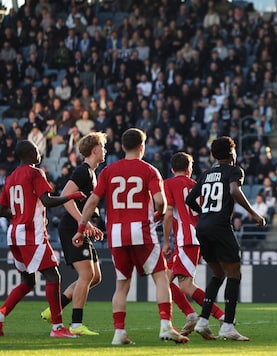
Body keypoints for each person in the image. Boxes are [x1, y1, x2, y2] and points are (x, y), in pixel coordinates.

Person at [71, 128, 189, 345]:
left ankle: (119, 333)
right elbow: (161, 202)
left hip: (116, 234)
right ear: (142, 147)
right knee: (161, 277)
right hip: (141, 231)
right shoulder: (150, 170)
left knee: (122, 285)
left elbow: (92, 202)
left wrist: (80, 229)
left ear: (123, 147)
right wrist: (159, 213)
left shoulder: (108, 171)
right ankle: (166, 326)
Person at [0, 140, 86, 338]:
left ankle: (1, 315)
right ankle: (57, 328)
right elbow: (47, 200)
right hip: (32, 234)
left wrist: (17, 215)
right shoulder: (35, 172)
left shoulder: (11, 177)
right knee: (53, 277)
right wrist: (71, 196)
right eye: (37, 150)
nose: (40, 153)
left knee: (27, 282)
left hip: (14, 235)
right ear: (31, 153)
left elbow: (1, 209)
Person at [185, 136, 265, 341]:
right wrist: (253, 214)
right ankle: (228, 325)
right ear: (232, 154)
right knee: (234, 274)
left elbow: (189, 199)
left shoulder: (205, 174)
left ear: (213, 155)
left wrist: (203, 213)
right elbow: (233, 190)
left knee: (218, 273)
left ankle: (203, 321)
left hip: (202, 227)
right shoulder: (234, 171)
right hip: (220, 227)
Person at [40, 133, 107, 336]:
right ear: (95, 149)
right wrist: (81, 222)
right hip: (71, 228)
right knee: (86, 275)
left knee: (95, 277)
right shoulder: (83, 171)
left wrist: (88, 225)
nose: (105, 150)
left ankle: (54, 309)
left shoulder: (92, 173)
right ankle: (76, 324)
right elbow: (66, 197)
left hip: (79, 227)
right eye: (103, 147)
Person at [162, 152, 225, 339]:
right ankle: (194, 316)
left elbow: (168, 213)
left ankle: (218, 316)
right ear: (190, 169)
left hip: (186, 240)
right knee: (164, 280)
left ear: (172, 168)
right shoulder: (198, 186)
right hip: (197, 238)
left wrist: (165, 241)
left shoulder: (168, 184)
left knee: (185, 286)